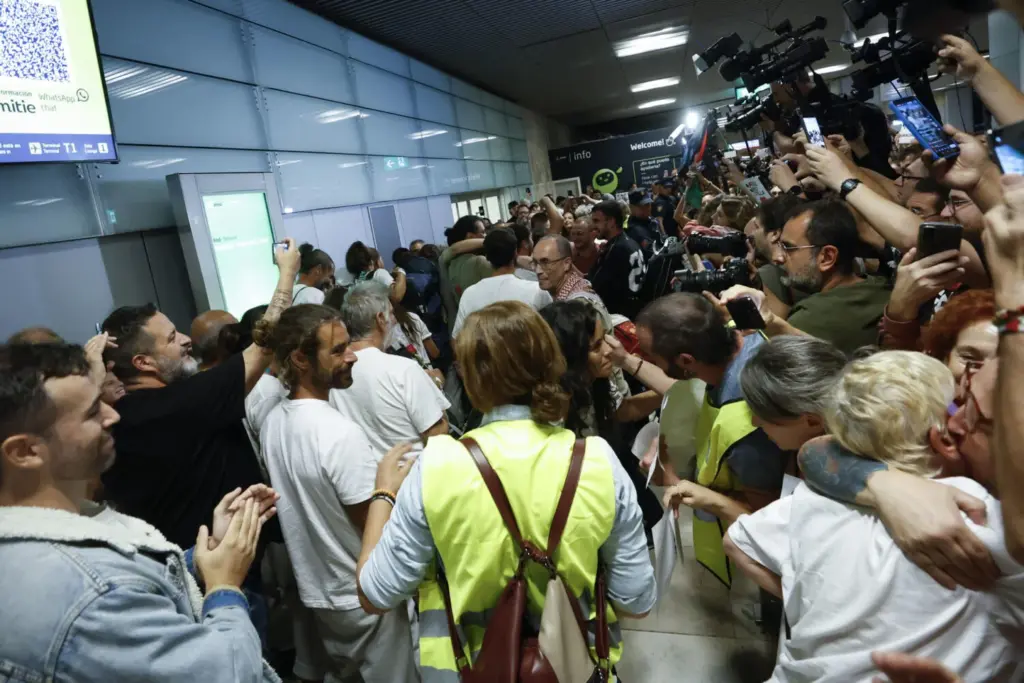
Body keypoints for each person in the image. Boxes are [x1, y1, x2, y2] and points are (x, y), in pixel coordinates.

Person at [354, 301, 656, 681]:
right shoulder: (596, 461)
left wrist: (384, 494)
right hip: (573, 667)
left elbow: (374, 595)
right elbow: (637, 601)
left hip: (466, 668)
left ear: (470, 378)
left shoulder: (436, 466)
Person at [725, 353, 1024, 681]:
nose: (956, 421)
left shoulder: (813, 496)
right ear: (941, 437)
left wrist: (811, 605)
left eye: (965, 406)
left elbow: (737, 541)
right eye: (958, 401)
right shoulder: (984, 514)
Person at [0, 342, 281, 682]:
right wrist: (224, 586)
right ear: (25, 451)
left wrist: (200, 558)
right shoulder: (92, 592)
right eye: (92, 412)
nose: (113, 415)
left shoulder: (68, 537)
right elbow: (229, 673)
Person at [98, 240, 299, 552]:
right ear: (143, 363)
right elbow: (264, 346)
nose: (186, 340)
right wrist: (287, 275)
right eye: (171, 338)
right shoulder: (178, 406)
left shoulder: (118, 416)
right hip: (216, 562)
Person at [258, 304, 416, 683]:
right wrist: (388, 488)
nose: (351, 357)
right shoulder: (338, 434)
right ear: (299, 359)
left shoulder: (275, 420)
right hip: (361, 594)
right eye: (337, 350)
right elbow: (374, 532)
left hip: (321, 590)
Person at [635, 293, 788, 586]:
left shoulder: (750, 424)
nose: (647, 361)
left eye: (651, 357)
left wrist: (677, 482)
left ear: (685, 361)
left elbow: (767, 515)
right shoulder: (745, 336)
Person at [331, 282, 449, 456]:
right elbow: (437, 435)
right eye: (392, 313)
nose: (394, 320)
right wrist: (436, 385)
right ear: (380, 319)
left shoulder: (332, 373)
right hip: (414, 475)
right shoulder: (404, 370)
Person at [761, 199, 893, 354]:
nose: (780, 257)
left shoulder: (808, 320)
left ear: (827, 257)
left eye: (789, 248)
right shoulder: (884, 288)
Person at [451, 228, 552, 338]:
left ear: (487, 257)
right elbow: (552, 334)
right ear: (515, 253)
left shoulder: (469, 294)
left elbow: (457, 340)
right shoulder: (537, 290)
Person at [589, 200, 645, 319]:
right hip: (636, 309)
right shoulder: (629, 242)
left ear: (611, 222)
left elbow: (594, 286)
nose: (593, 226)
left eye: (596, 221)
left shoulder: (617, 249)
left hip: (621, 317)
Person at [439, 215, 491, 333]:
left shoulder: (448, 262)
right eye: (483, 232)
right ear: (470, 237)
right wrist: (497, 240)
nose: (485, 236)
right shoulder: (479, 262)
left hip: (461, 329)